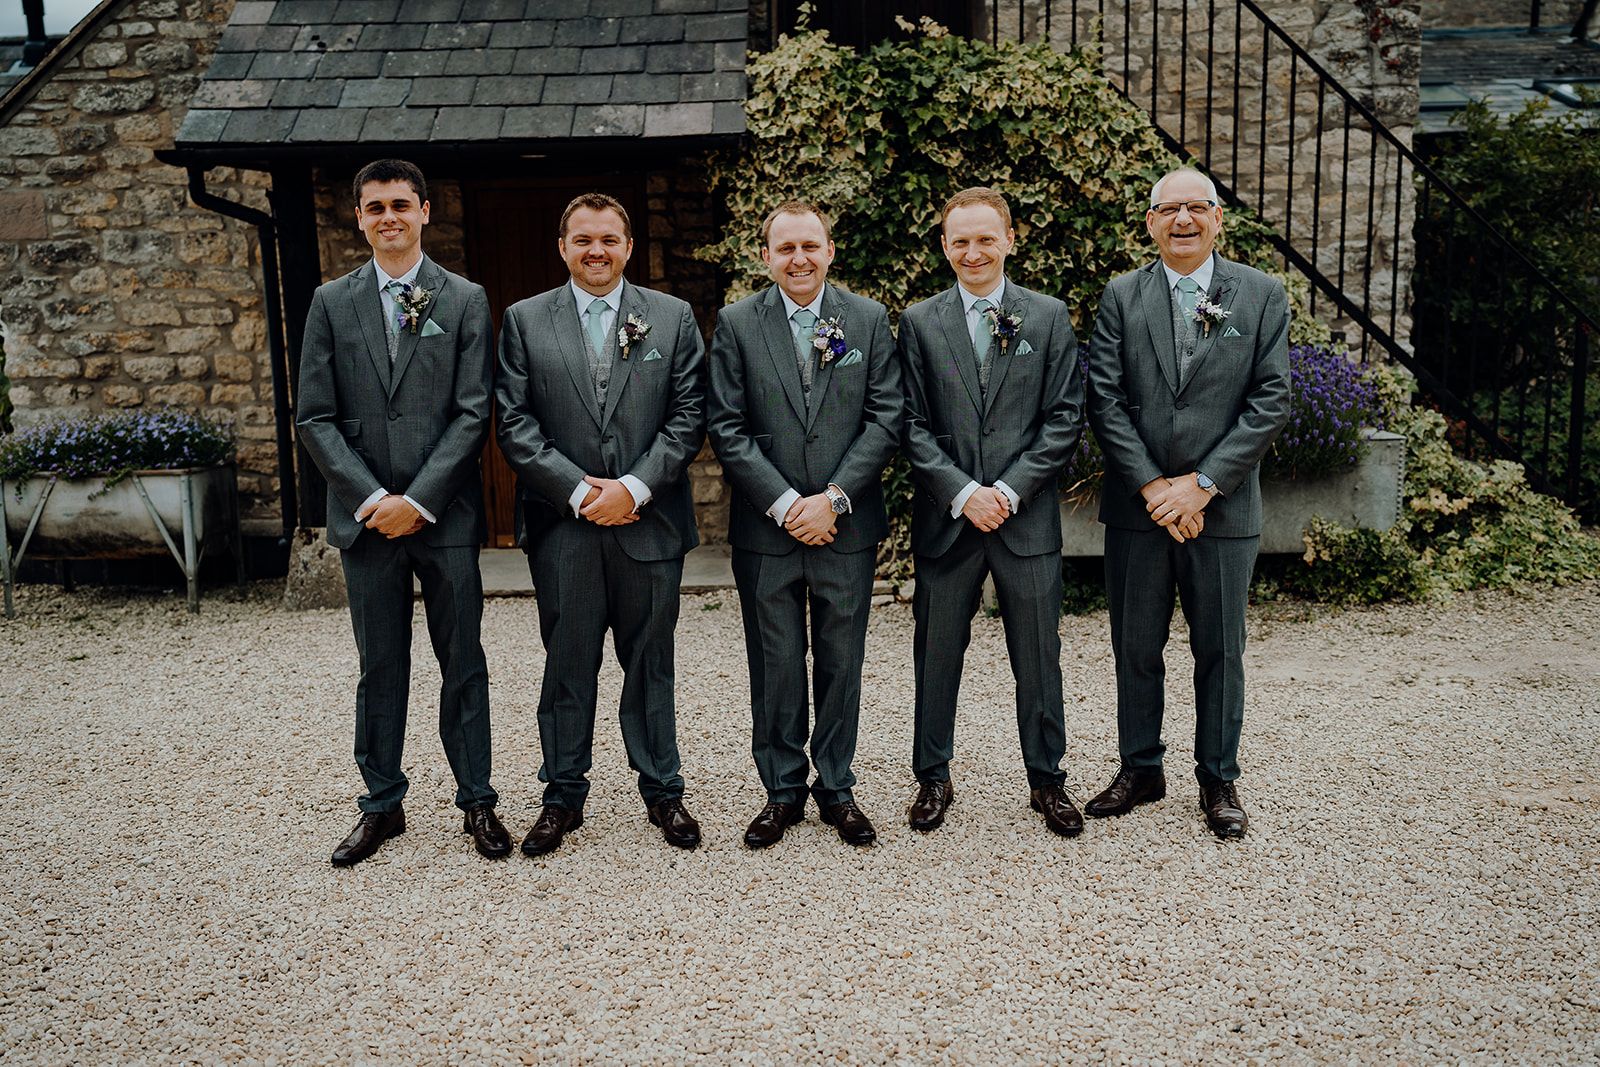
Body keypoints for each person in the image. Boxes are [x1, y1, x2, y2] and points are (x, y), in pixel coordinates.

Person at [296, 158, 507, 866]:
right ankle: (382, 805)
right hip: (366, 519)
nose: (388, 216)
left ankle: (477, 799)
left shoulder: (465, 298)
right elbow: (315, 416)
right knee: (378, 664)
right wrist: (372, 499)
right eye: (375, 206)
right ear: (359, 217)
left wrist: (418, 499)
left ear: (424, 212)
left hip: (442, 515)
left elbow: (474, 409)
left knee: (463, 660)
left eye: (400, 204)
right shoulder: (330, 301)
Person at [1083, 166, 1291, 840]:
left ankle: (1218, 777)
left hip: (1222, 509)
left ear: (1217, 218)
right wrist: (1154, 488)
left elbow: (1271, 399)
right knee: (1135, 645)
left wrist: (1200, 485)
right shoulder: (1120, 296)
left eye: (1196, 208)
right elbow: (1106, 399)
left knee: (1219, 648)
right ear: (1149, 222)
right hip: (1137, 507)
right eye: (1167, 209)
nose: (1182, 220)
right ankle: (1140, 767)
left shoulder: (1261, 296)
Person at [496, 193, 707, 855]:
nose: (596, 250)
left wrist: (636, 487)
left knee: (652, 662)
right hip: (565, 526)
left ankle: (663, 790)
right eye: (583, 239)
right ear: (563, 247)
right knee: (568, 662)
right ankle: (562, 794)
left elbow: (688, 416)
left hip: (649, 522)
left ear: (628, 246)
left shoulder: (670, 318)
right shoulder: (526, 321)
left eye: (609, 239)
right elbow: (515, 422)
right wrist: (580, 492)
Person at [706, 201, 904, 848]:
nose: (798, 258)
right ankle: (782, 788)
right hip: (767, 530)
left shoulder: (868, 320)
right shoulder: (737, 324)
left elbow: (885, 417)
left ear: (829, 250)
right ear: (766, 256)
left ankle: (837, 786)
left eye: (809, 246)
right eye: (785, 248)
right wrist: (787, 503)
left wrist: (835, 498)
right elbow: (726, 426)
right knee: (776, 661)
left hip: (846, 527)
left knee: (842, 661)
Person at [897, 187, 1087, 837]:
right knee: (936, 652)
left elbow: (1063, 419)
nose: (973, 252)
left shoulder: (1049, 316)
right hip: (948, 519)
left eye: (985, 238)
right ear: (945, 247)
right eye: (960, 240)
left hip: (1024, 520)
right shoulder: (921, 322)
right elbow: (911, 424)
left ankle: (1047, 781)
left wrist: (1006, 492)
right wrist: (962, 492)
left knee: (1038, 653)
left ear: (1011, 238)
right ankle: (932, 777)